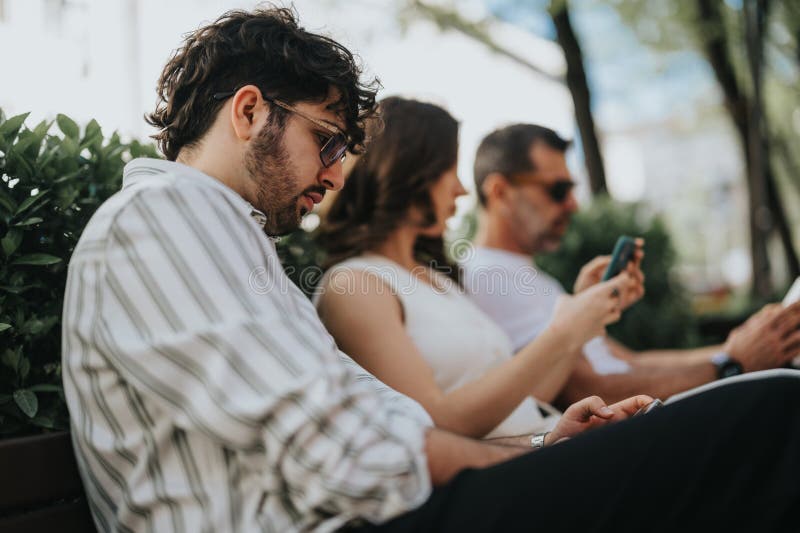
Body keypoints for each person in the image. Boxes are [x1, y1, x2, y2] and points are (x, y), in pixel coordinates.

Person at [61, 7, 800, 532]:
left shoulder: (230, 241)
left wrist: (546, 446)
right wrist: (535, 451)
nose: (335, 170)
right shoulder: (160, 222)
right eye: (326, 139)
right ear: (250, 111)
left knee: (761, 414)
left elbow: (378, 429)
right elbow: (352, 452)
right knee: (768, 421)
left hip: (384, 509)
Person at [315, 96, 643, 438]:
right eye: (449, 171)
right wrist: (564, 331)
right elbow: (434, 425)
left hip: (534, 451)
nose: (460, 190)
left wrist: (582, 322)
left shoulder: (435, 279)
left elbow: (517, 400)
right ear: (409, 173)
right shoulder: (353, 286)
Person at [463, 123, 800, 405]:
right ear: (500, 192)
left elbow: (627, 362)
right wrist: (732, 364)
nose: (573, 205)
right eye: (558, 190)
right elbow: (587, 390)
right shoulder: (490, 277)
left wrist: (742, 346)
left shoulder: (528, 277)